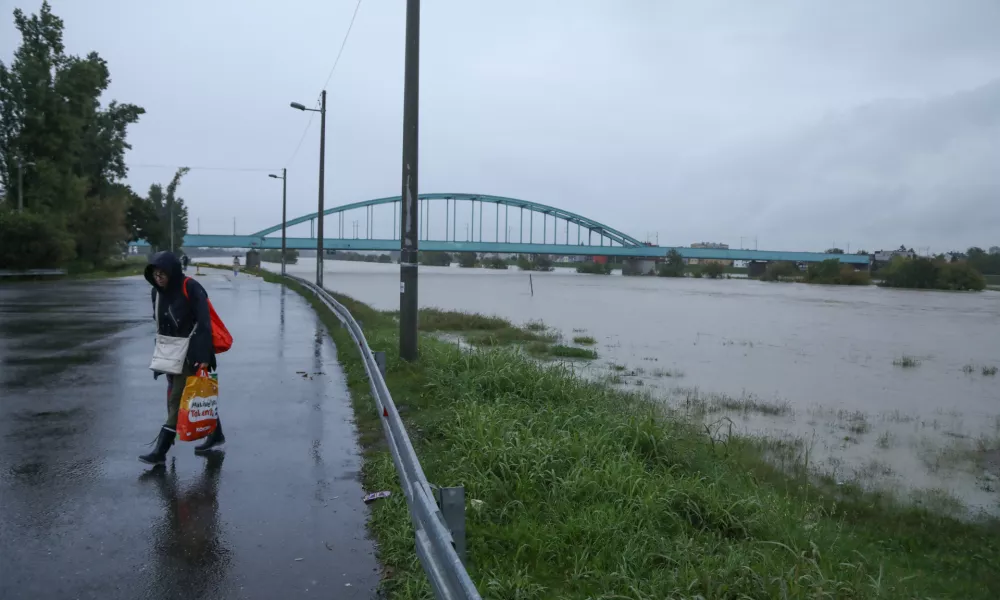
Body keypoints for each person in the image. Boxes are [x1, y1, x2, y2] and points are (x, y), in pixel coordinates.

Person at [141, 251, 225, 465]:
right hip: (171, 353)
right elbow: (160, 322)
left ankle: (160, 451)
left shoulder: (191, 287)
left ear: (173, 272)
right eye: (155, 274)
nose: (159, 278)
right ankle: (215, 433)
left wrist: (204, 356)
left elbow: (205, 323)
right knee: (194, 397)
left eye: (163, 273)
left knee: (177, 398)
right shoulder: (157, 293)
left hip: (192, 353)